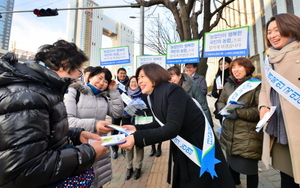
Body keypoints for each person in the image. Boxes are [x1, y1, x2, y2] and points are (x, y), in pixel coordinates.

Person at [0, 40, 108, 188]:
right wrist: (88, 152)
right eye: (79, 72)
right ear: (64, 64)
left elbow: (41, 136)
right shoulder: (28, 96)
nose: (78, 77)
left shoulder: (41, 89)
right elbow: (25, 170)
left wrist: (75, 135)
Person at [119, 63, 235, 188]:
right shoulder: (152, 96)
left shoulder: (172, 90)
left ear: (154, 75)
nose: (139, 80)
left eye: (142, 76)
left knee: (203, 181)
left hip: (199, 146)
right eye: (138, 77)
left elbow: (171, 128)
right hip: (183, 145)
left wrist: (136, 137)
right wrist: (136, 128)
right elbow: (161, 122)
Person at [64, 66, 124, 188]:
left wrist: (113, 91)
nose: (102, 83)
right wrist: (95, 125)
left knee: (97, 182)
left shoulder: (103, 98)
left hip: (99, 149)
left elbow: (118, 113)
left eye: (106, 81)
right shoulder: (74, 92)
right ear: (90, 77)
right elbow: (67, 122)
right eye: (99, 78)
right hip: (79, 150)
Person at [259, 13, 300, 187]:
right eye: (269, 31)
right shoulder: (269, 59)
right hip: (280, 130)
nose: (273, 35)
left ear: (291, 28)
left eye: (277, 30)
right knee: (287, 178)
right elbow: (264, 89)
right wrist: (263, 106)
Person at [217, 57, 263, 188]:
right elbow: (221, 101)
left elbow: (259, 109)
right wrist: (222, 109)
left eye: (239, 67)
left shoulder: (256, 85)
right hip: (229, 134)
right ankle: (236, 184)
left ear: (247, 68)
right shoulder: (228, 84)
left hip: (247, 135)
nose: (236, 70)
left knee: (250, 170)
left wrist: (238, 113)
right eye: (233, 67)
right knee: (231, 165)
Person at [123, 76, 152, 180]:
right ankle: (129, 167)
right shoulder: (124, 95)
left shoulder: (143, 95)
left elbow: (148, 110)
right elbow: (120, 111)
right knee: (128, 147)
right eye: (132, 82)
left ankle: (138, 167)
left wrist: (138, 109)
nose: (134, 84)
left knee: (139, 146)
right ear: (129, 84)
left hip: (139, 124)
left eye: (135, 82)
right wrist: (127, 112)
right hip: (127, 125)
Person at [111, 67, 129, 159]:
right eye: (121, 73)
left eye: (124, 73)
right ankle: (114, 150)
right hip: (116, 110)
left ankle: (124, 148)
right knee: (114, 130)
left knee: (125, 130)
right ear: (117, 74)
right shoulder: (113, 83)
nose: (122, 75)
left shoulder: (129, 83)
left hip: (127, 111)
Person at [212, 57, 232, 126]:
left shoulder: (232, 77)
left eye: (224, 63)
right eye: (220, 64)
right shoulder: (217, 78)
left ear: (230, 64)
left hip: (230, 105)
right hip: (220, 106)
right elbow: (213, 93)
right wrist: (217, 91)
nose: (222, 66)